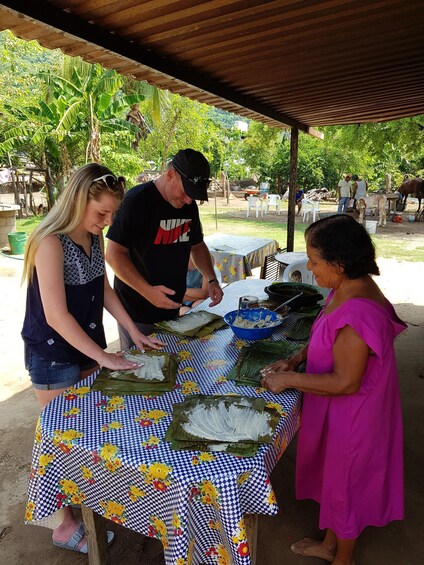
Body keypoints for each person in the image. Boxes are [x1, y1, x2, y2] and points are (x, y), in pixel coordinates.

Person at [22, 163, 164, 553]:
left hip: (86, 344)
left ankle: (87, 508)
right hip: (53, 354)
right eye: (102, 212)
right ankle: (65, 525)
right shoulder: (49, 242)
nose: (107, 221)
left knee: (87, 434)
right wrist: (104, 357)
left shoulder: (92, 237)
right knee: (61, 441)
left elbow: (103, 289)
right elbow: (56, 315)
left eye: (112, 214)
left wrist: (133, 332)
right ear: (77, 201)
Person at [260, 214, 405, 565]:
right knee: (336, 483)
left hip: (356, 417)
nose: (309, 268)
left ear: (339, 264)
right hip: (343, 411)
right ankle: (329, 545)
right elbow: (325, 330)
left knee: (348, 489)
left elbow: (345, 381)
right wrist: (295, 360)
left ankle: (343, 559)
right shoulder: (346, 287)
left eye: (314, 261)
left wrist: (288, 380)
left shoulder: (359, 313)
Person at [106, 148, 223, 348]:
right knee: (142, 365)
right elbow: (113, 254)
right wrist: (148, 292)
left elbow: (197, 246)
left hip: (172, 310)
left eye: (193, 196)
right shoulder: (137, 201)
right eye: (186, 192)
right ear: (170, 175)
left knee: (174, 360)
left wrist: (211, 279)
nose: (188, 201)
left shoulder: (188, 206)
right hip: (137, 312)